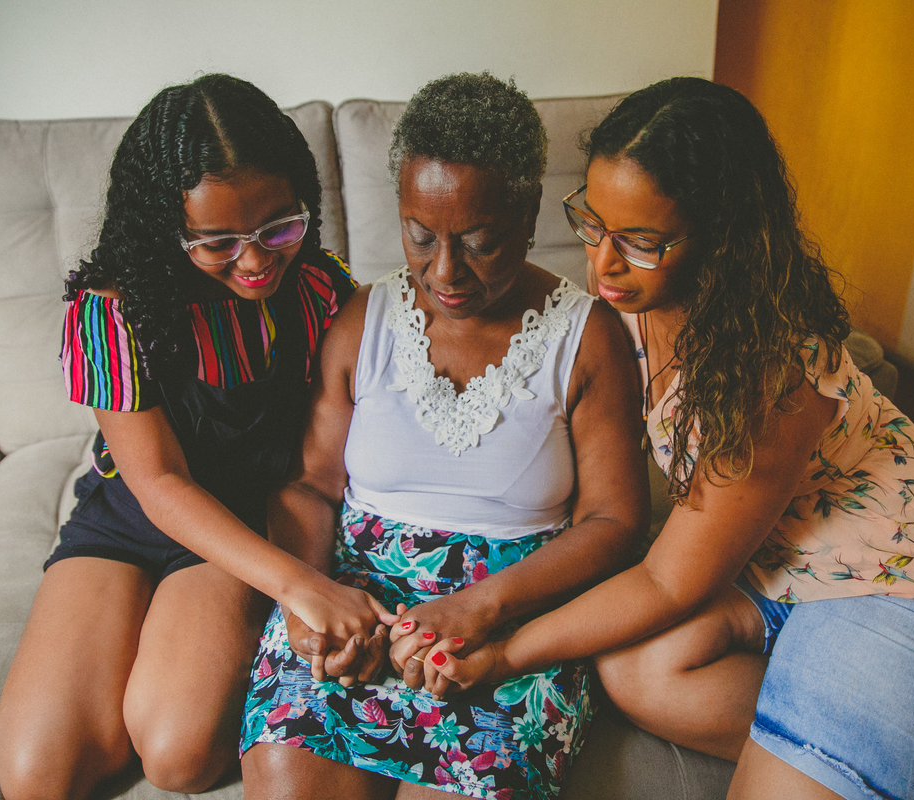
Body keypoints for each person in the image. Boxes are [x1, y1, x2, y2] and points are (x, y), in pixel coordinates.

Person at [427, 77, 914, 800]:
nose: (603, 263)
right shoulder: (628, 311)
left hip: (892, 586)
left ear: (720, 233)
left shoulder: (772, 371)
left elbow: (668, 580)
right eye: (592, 223)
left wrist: (504, 648)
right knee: (633, 671)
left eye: (640, 242)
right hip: (768, 572)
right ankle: (906, 743)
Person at [238, 72, 647, 800]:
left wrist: (484, 607)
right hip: (361, 606)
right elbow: (309, 484)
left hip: (509, 623)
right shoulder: (363, 319)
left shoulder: (585, 337)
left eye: (481, 242)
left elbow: (615, 520)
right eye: (421, 237)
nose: (445, 271)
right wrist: (311, 601)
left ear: (526, 218)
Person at [0, 74, 390, 800]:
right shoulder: (111, 312)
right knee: (34, 775)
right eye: (217, 243)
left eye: (280, 228)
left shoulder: (321, 289)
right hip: (130, 518)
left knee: (179, 757)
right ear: (164, 228)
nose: (257, 260)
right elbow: (159, 484)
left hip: (243, 523)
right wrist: (302, 586)